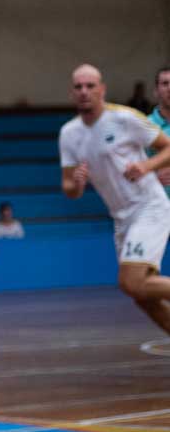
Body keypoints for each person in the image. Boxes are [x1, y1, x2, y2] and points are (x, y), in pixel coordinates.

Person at [60, 64, 170, 335]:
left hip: (149, 207)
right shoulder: (69, 134)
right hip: (121, 218)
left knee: (131, 282)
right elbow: (69, 189)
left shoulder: (125, 118)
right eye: (78, 87)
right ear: (72, 93)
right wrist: (77, 183)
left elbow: (167, 147)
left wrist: (146, 166)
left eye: (90, 86)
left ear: (102, 89)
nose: (84, 91)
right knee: (141, 295)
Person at [148, 66, 170, 188]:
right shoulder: (144, 126)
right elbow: (131, 171)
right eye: (165, 84)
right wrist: (152, 179)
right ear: (156, 91)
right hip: (155, 199)